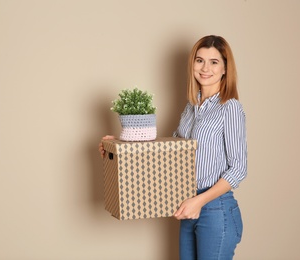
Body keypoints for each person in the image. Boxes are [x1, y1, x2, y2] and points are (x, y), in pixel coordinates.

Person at [99, 35, 247, 260]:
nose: (205, 68)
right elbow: (171, 152)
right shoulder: (191, 107)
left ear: (225, 68)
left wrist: (199, 201)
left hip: (216, 210)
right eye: (200, 60)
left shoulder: (230, 108)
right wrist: (120, 148)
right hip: (187, 204)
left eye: (214, 62)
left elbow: (239, 169)